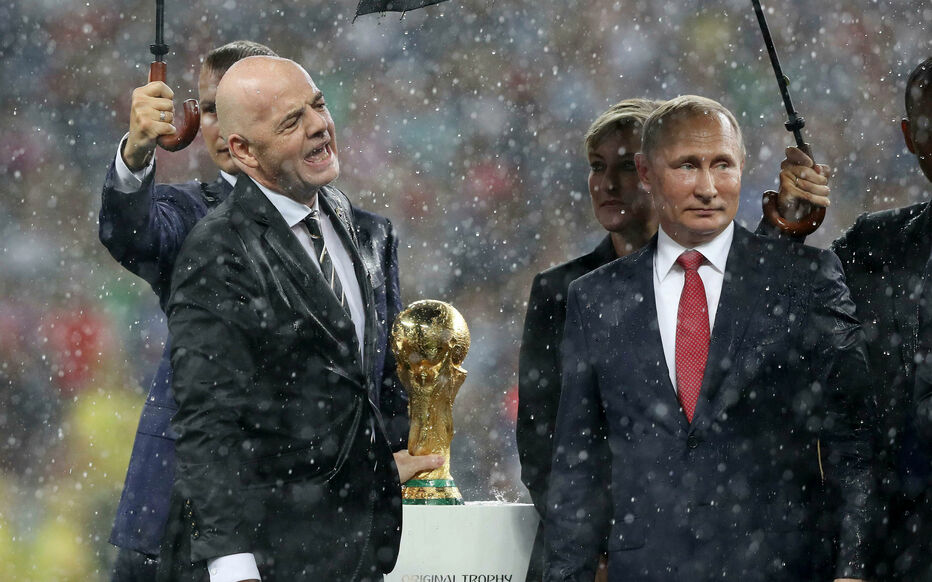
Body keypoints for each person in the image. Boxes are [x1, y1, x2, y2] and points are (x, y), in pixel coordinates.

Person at [544, 95, 874, 582]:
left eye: (722, 164)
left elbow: (855, 437)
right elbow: (577, 468)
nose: (707, 187)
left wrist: (853, 570)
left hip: (781, 569)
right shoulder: (595, 298)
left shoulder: (807, 278)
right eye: (687, 166)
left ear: (742, 167)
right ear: (646, 172)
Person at [160, 56, 439, 582]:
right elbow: (207, 420)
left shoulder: (352, 220)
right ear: (243, 150)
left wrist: (383, 463)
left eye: (318, 105)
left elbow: (360, 380)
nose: (319, 126)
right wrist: (231, 563)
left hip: (354, 549)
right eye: (292, 121)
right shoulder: (218, 248)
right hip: (269, 553)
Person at [99, 40, 279, 582]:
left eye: (236, 107)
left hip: (298, 517)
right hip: (178, 517)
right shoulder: (190, 213)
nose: (220, 127)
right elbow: (132, 232)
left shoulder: (345, 230)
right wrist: (135, 155)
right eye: (209, 109)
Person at [769, 56, 932, 581]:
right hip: (884, 554)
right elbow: (763, 324)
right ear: (909, 136)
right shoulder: (874, 245)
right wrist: (784, 231)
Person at [516, 98, 660, 582]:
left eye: (627, 167)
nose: (608, 184)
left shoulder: (708, 281)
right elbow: (539, 438)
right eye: (598, 167)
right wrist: (592, 549)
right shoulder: (558, 291)